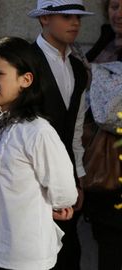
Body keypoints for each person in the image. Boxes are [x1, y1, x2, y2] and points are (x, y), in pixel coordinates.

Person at [0, 36, 78, 270]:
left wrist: (57, 205)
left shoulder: (37, 131)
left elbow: (65, 192)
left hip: (21, 255)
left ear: (25, 80)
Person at [27, 1, 93, 268]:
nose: (75, 23)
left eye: (77, 16)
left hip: (65, 180)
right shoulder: (24, 60)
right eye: (66, 16)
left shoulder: (77, 68)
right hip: (29, 180)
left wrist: (78, 178)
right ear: (44, 19)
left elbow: (75, 128)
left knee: (67, 255)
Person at [83, 1, 122, 269]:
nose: (119, 14)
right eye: (115, 6)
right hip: (102, 165)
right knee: (108, 245)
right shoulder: (102, 44)